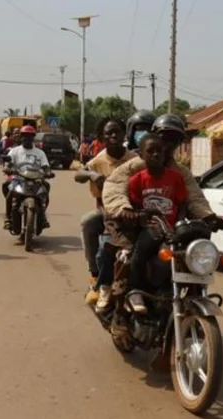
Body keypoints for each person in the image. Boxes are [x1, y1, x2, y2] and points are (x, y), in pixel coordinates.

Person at [99, 114, 223, 309]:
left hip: (170, 230)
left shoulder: (180, 173)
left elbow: (194, 197)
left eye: (174, 139)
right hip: (138, 226)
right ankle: (124, 299)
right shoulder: (135, 167)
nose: (169, 144)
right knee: (128, 257)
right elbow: (114, 186)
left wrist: (209, 217)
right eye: (165, 137)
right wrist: (123, 208)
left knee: (191, 254)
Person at [121, 133, 188, 313]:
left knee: (175, 257)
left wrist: (180, 224)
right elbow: (135, 208)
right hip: (150, 228)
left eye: (159, 151)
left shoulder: (176, 177)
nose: (156, 155)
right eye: (150, 151)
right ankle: (134, 291)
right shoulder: (137, 180)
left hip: (171, 230)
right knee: (140, 252)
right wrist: (142, 218)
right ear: (141, 155)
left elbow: (182, 204)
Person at [78, 117, 137, 306]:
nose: (113, 136)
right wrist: (91, 174)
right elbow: (78, 174)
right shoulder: (97, 162)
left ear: (124, 134)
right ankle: (95, 275)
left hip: (135, 212)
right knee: (88, 223)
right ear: (102, 138)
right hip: (107, 213)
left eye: (116, 132)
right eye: (108, 133)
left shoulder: (136, 160)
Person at [2, 125, 52, 229]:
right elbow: (8, 162)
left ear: (33, 137)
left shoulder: (40, 152)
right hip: (19, 178)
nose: (27, 138)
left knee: (46, 187)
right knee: (7, 186)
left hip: (36, 178)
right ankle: (8, 217)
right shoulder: (15, 151)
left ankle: (43, 215)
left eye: (30, 136)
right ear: (21, 137)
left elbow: (45, 165)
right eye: (25, 136)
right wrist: (7, 168)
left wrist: (48, 172)